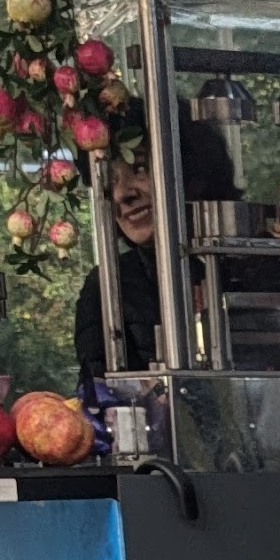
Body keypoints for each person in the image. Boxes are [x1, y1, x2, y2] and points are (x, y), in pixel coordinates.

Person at [70, 118, 240, 379]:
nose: (121, 194)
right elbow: (101, 392)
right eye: (110, 181)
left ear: (192, 170)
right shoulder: (106, 286)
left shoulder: (258, 265)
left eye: (140, 168)